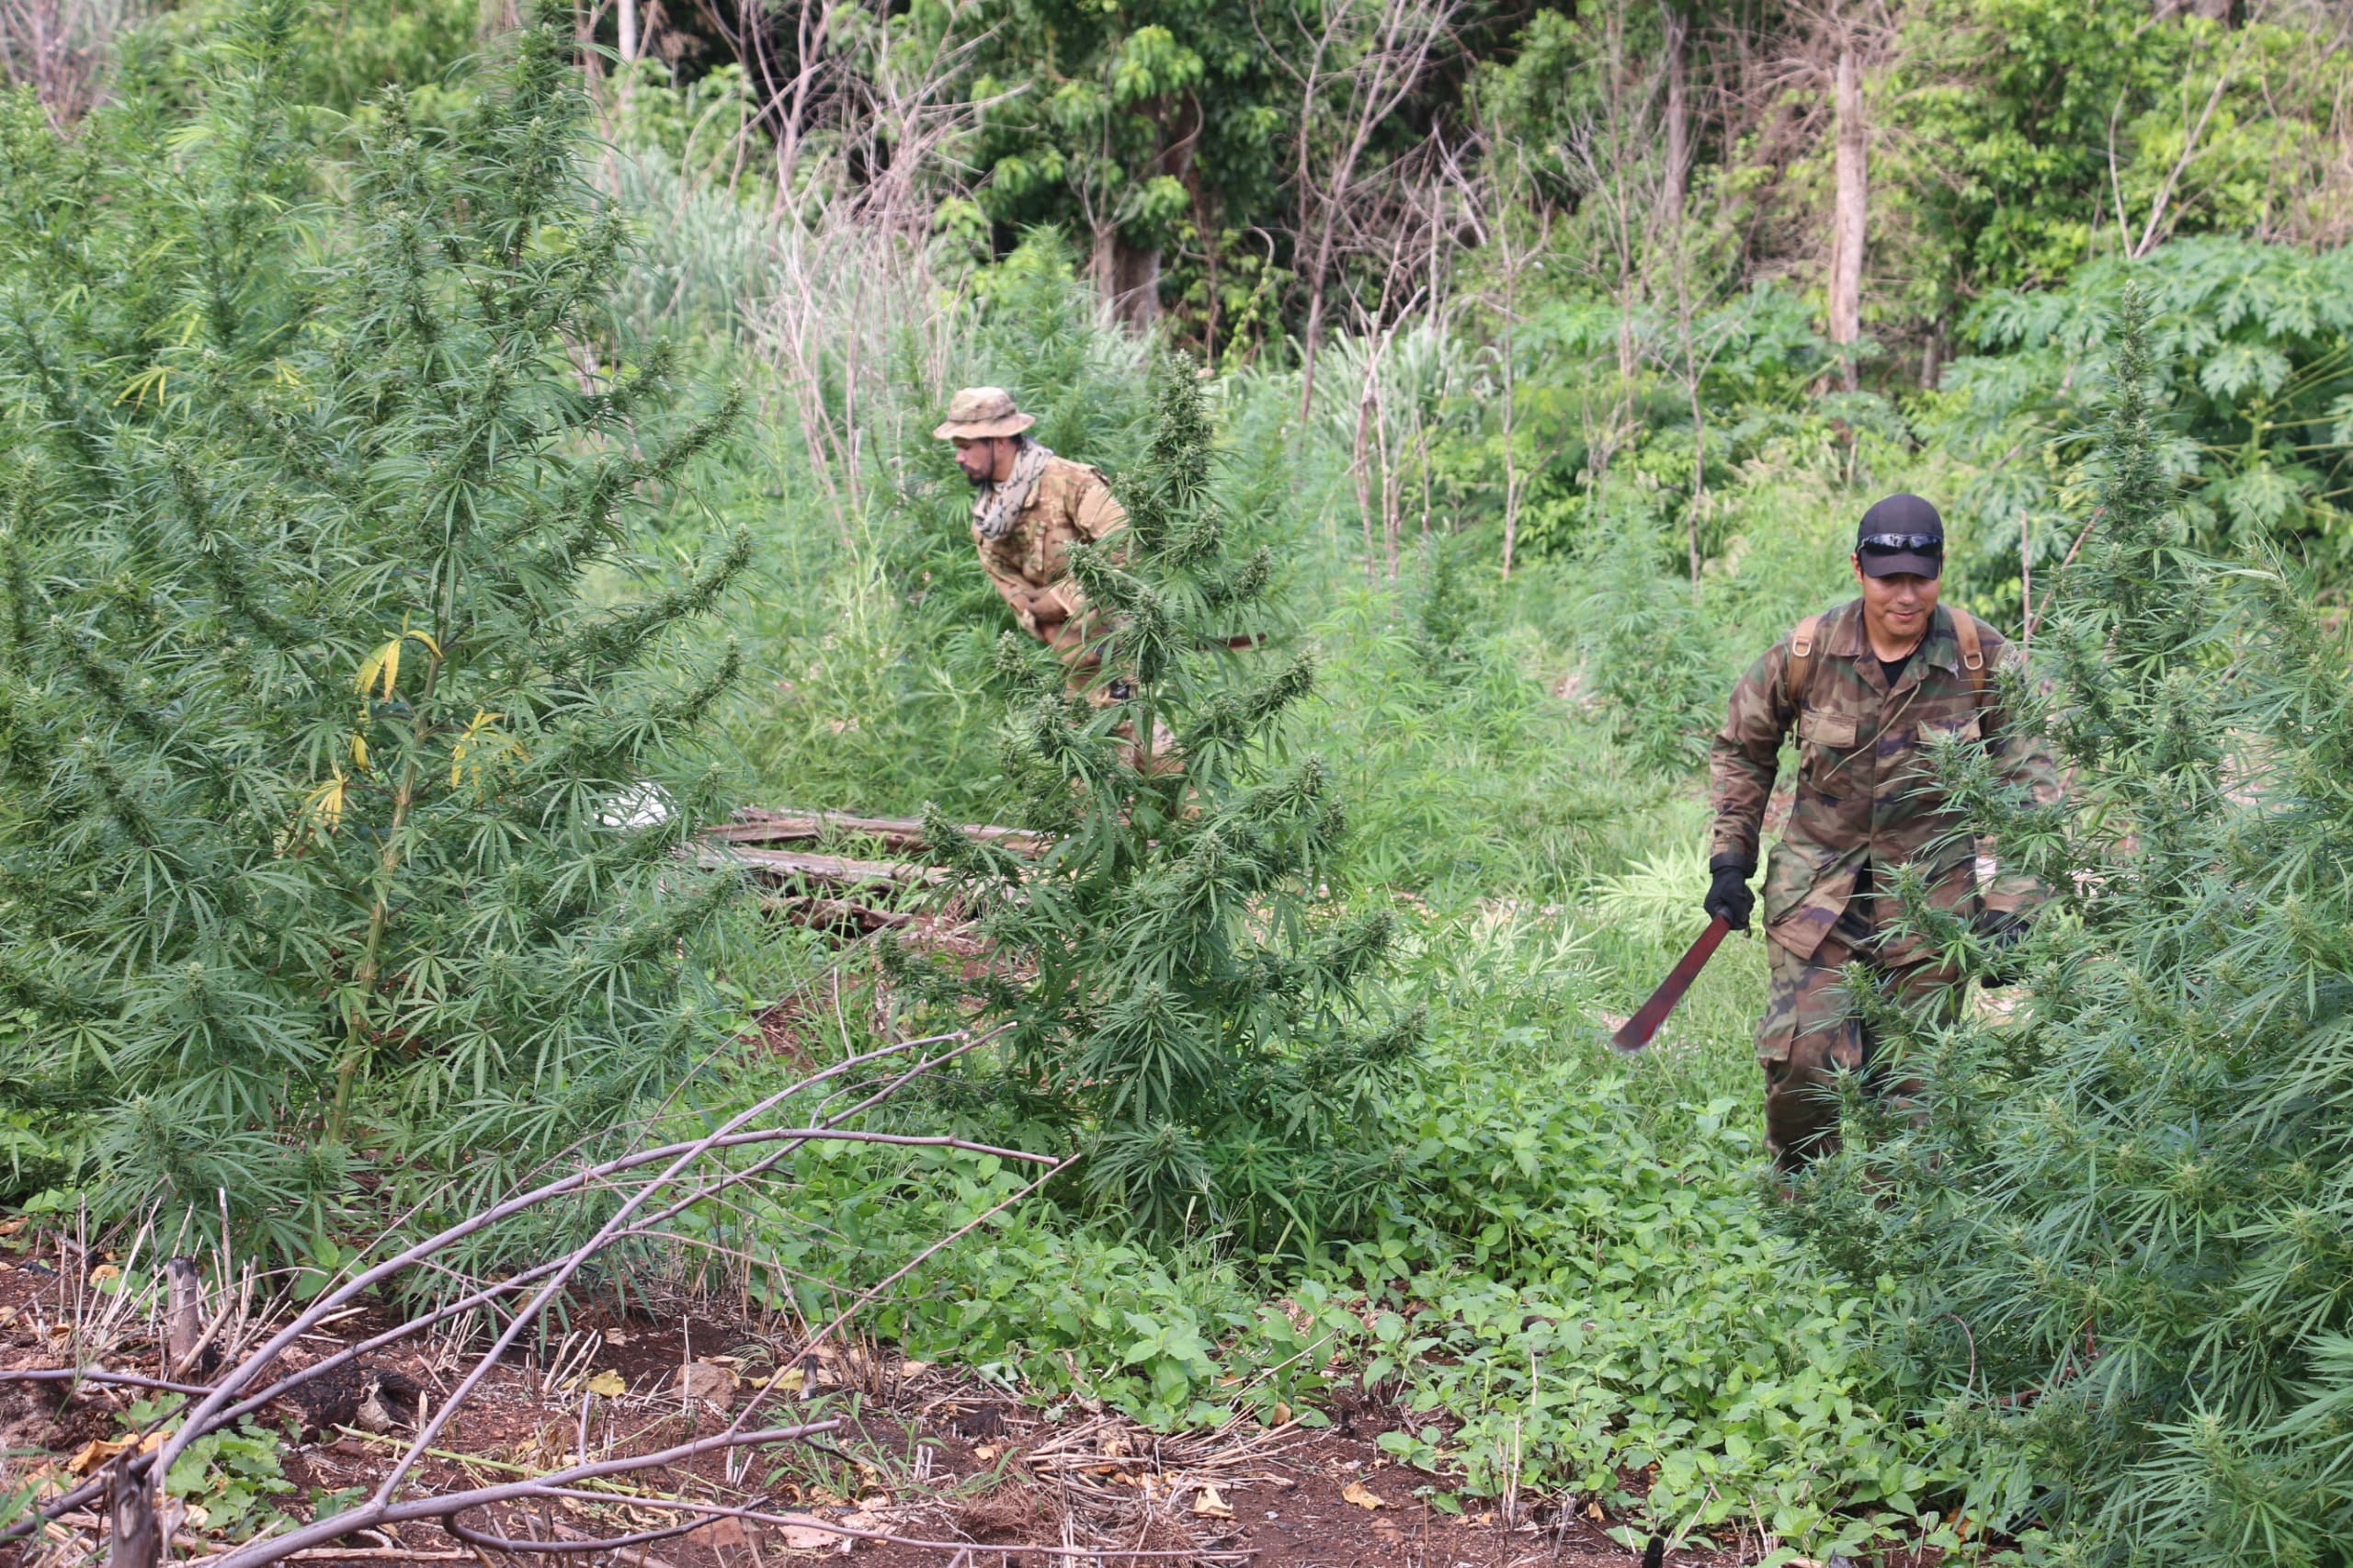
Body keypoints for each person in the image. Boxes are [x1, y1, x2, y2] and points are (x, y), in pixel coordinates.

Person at [1704, 494, 2058, 1172]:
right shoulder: (1806, 652)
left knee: (1916, 1091)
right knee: (1805, 1067)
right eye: (1887, 576)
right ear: (1858, 569)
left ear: (1941, 569)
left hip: (1931, 906)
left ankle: (1904, 1240)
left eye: (1920, 577)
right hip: (1816, 900)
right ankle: (1806, 1210)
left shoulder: (1982, 657)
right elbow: (1743, 750)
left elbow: (2032, 783)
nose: (1905, 593)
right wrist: (1731, 857)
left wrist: (2015, 908)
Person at [934, 386, 1129, 692]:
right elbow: (1012, 588)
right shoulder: (989, 517)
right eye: (957, 447)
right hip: (1068, 663)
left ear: (999, 442)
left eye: (966, 446)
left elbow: (1124, 550)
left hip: (1115, 651)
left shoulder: (1071, 483)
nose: (959, 457)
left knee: (1122, 737)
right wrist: (1044, 620)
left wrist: (1063, 599)